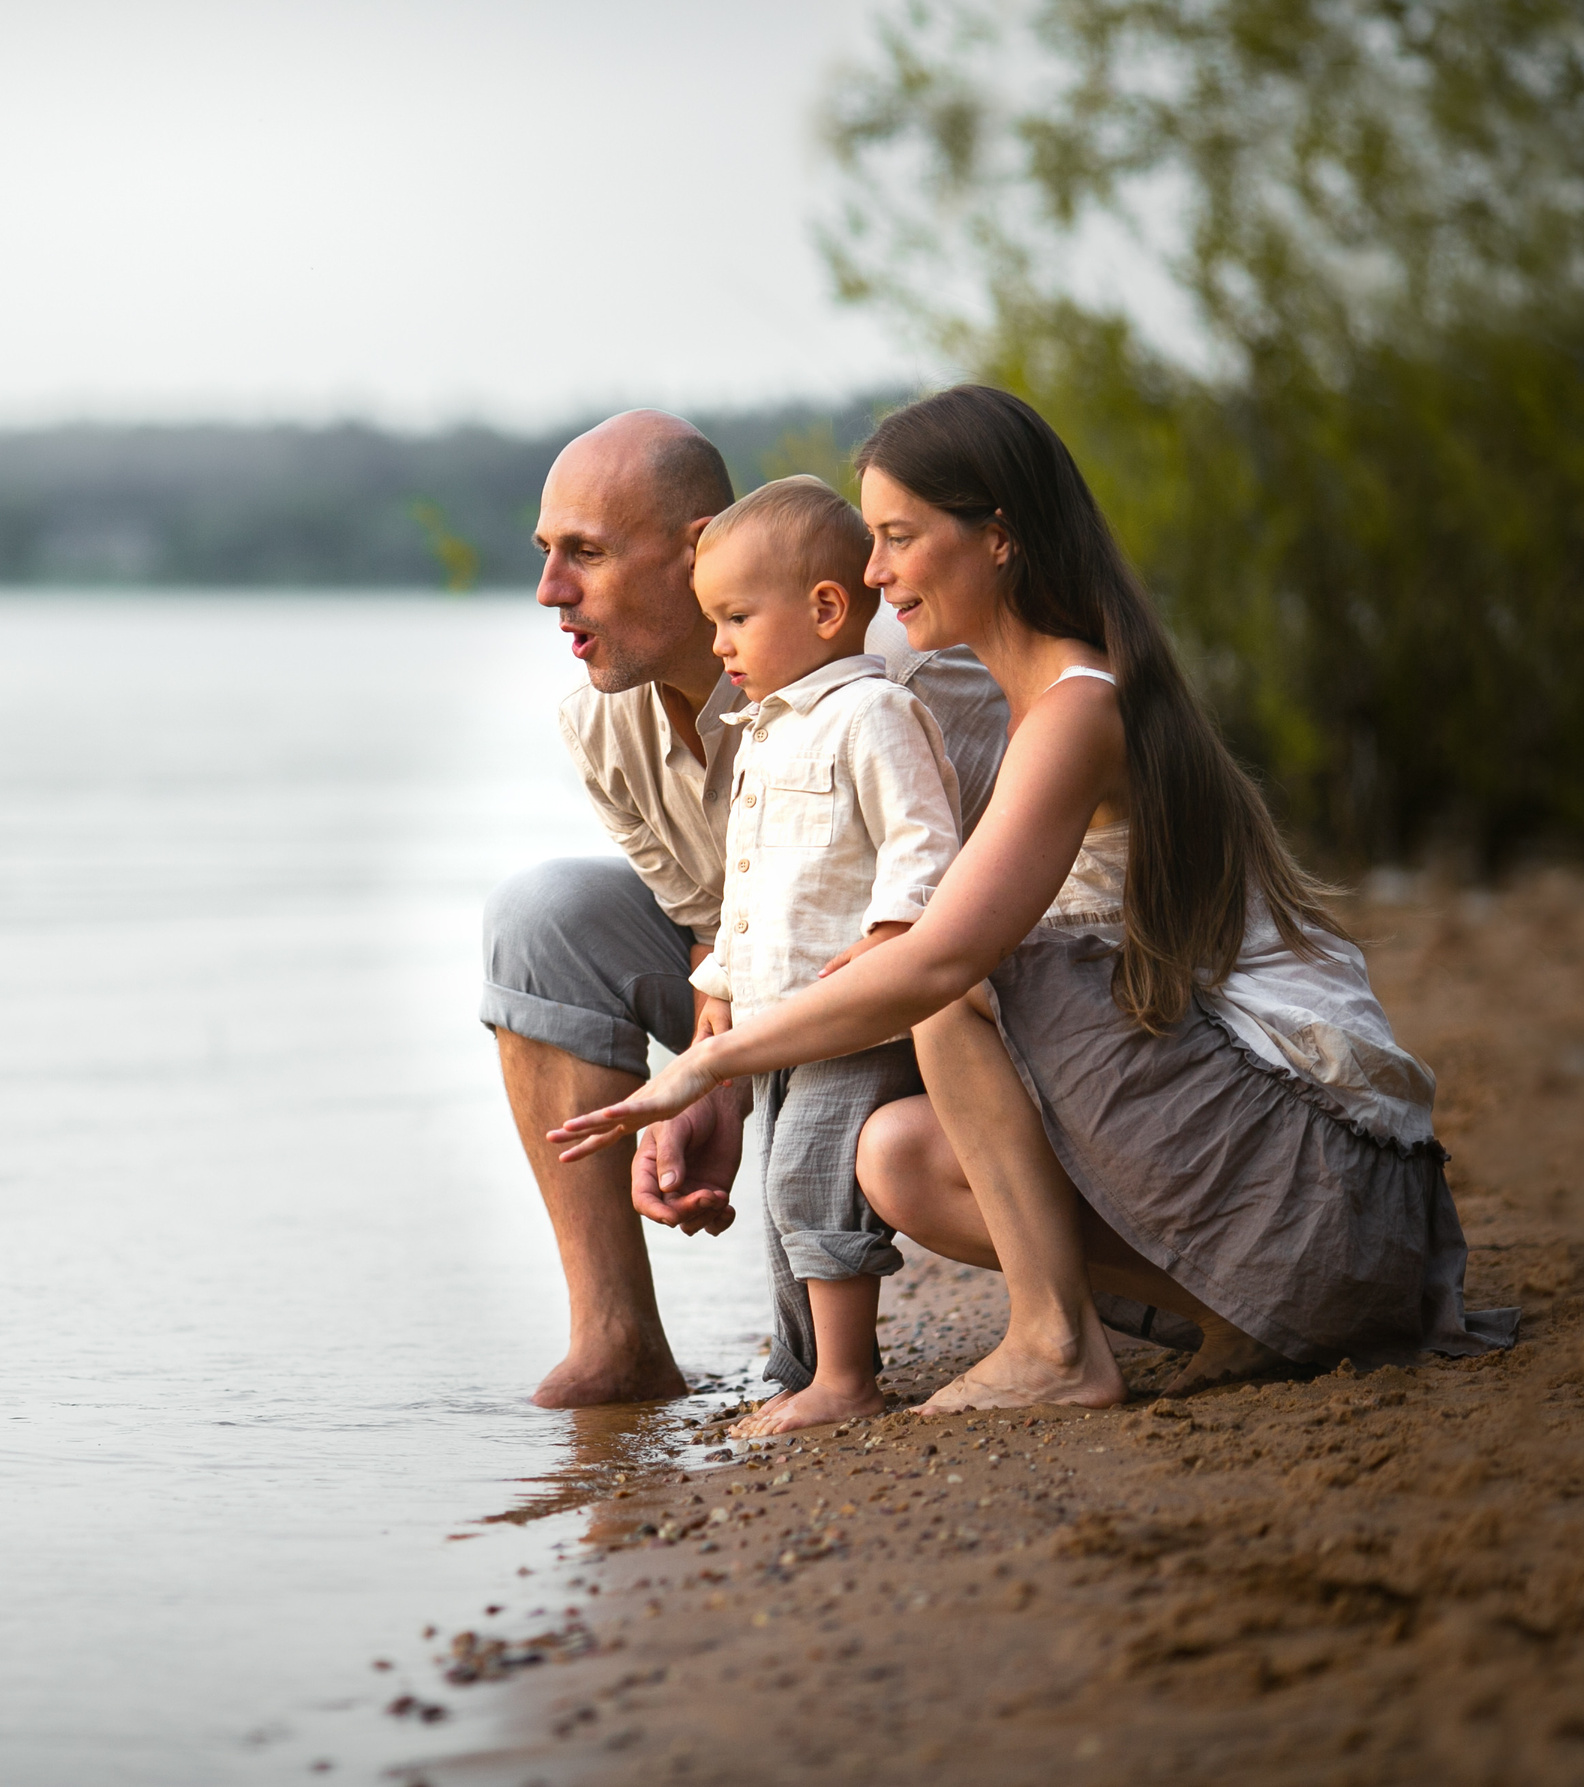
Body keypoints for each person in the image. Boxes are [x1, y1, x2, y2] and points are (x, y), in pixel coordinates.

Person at [550, 386, 1514, 1411]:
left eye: (897, 537)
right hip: (1292, 1221)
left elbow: (938, 960)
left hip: (1325, 1195)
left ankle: (1056, 1343)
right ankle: (1231, 1311)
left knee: (942, 980)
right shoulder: (1005, 694)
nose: (873, 571)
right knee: (895, 1157)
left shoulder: (1075, 707)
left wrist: (705, 1066)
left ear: (999, 538)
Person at [486, 409, 1009, 1408]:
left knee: (813, 1153)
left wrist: (746, 1057)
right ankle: (618, 1342)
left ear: (697, 552)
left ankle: (829, 1365)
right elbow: (710, 925)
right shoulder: (600, 721)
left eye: (586, 553)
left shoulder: (896, 682)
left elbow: (989, 911)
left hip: (934, 996)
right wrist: (707, 1080)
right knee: (540, 915)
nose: (550, 590)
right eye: (546, 553)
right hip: (771, 978)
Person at [686, 475, 963, 1434]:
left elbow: (922, 839)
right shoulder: (766, 732)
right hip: (779, 1021)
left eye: (735, 619)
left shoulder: (871, 713)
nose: (719, 646)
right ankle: (800, 1367)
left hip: (854, 1015)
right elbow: (752, 884)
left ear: (827, 608)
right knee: (779, 1194)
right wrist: (720, 984)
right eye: (713, 622)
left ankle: (845, 1380)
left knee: (812, 1177)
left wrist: (890, 936)